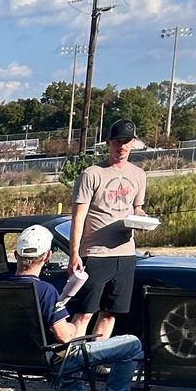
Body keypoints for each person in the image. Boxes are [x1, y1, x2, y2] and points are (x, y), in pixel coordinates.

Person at [8, 223, 141, 391]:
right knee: (131, 345)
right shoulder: (45, 291)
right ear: (47, 257)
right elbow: (64, 336)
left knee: (62, 353)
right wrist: (67, 318)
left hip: (7, 357)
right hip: (46, 359)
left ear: (16, 256)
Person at [67, 120, 149, 340]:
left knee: (111, 312)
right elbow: (79, 216)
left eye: (126, 142)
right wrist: (74, 253)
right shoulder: (92, 174)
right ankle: (72, 360)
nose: (121, 147)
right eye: (116, 142)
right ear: (108, 143)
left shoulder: (139, 175)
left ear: (133, 143)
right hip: (95, 253)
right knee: (84, 312)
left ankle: (96, 358)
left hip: (125, 253)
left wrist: (142, 219)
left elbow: (137, 208)